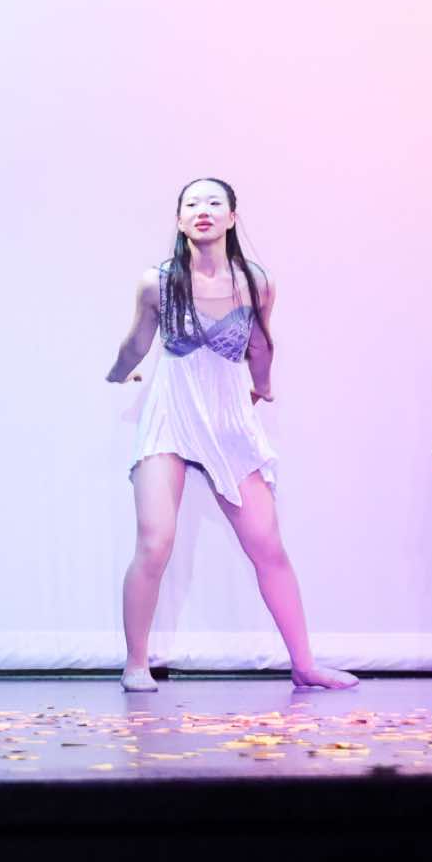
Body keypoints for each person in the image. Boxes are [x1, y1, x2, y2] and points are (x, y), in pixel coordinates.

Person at [105, 178, 357, 693]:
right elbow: (136, 341)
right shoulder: (158, 283)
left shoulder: (255, 282)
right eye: (192, 204)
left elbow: (261, 344)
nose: (203, 210)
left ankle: (304, 664)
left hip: (226, 418)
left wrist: (263, 388)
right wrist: (117, 373)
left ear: (232, 217)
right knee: (155, 540)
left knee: (268, 545)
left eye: (214, 202)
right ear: (180, 220)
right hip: (172, 414)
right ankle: (136, 663)